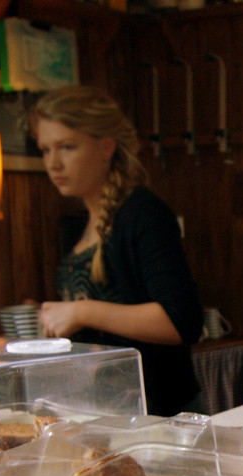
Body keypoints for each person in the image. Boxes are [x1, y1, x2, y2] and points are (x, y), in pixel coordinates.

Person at [30, 85, 204, 417]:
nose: (53, 163)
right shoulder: (86, 223)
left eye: (67, 147)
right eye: (45, 149)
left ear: (105, 146)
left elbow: (182, 320)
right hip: (108, 414)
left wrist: (81, 312)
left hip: (160, 417)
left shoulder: (143, 214)